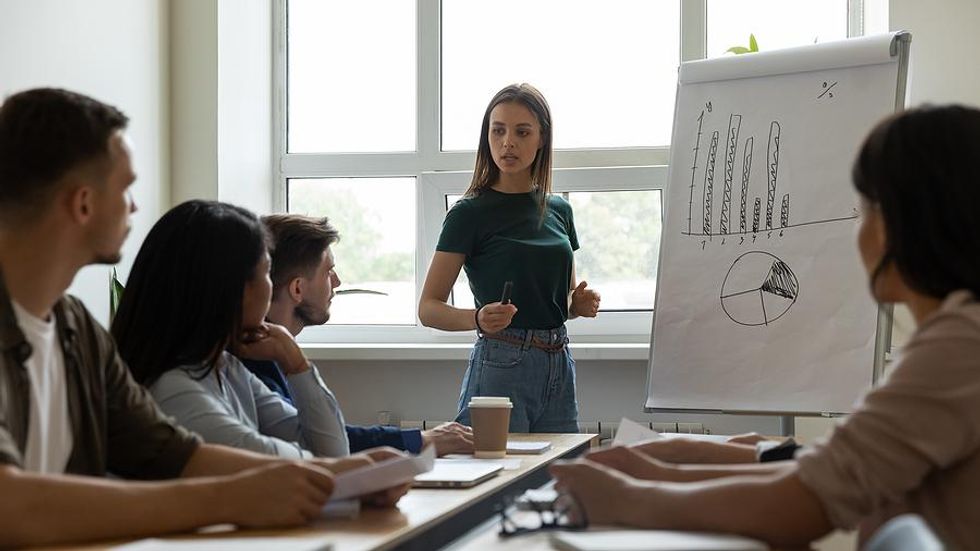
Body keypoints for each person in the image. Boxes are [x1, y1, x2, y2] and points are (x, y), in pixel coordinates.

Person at [550, 105, 980, 548]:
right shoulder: (959, 333)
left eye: (868, 209)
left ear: (911, 223)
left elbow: (805, 503)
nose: (860, 231)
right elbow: (832, 464)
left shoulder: (960, 346)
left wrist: (626, 497)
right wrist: (681, 456)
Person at [0, 88, 401, 548]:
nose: (134, 206)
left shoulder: (75, 328)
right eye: (126, 188)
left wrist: (337, 475)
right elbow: (9, 503)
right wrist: (227, 499)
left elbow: (171, 453)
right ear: (83, 203)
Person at [418, 83, 601, 433]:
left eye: (522, 132)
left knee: (558, 480)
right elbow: (428, 308)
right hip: (501, 361)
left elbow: (561, 304)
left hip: (558, 362)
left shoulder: (559, 209)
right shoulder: (468, 213)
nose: (508, 142)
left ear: (541, 138)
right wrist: (478, 318)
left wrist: (577, 304)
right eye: (498, 130)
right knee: (496, 475)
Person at [239, 213, 474, 456]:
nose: (337, 282)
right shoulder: (253, 359)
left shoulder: (271, 350)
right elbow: (318, 441)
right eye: (328, 271)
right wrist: (420, 440)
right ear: (297, 288)